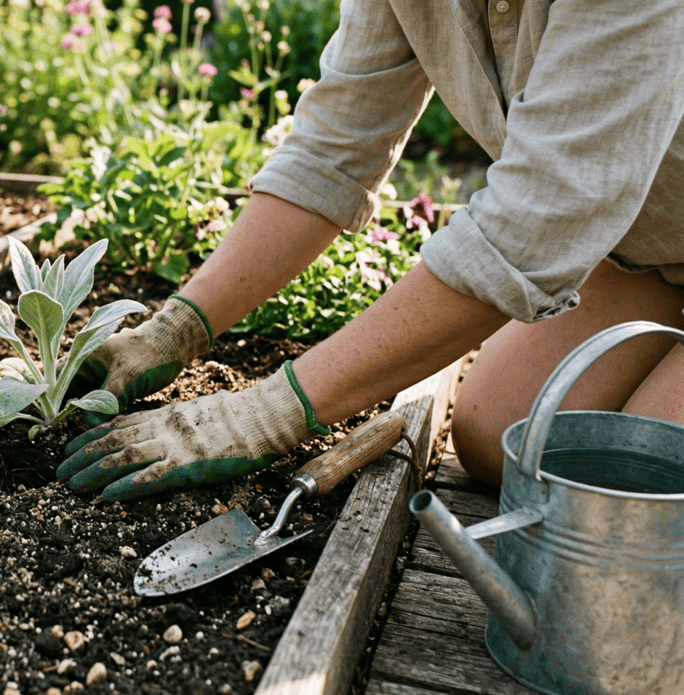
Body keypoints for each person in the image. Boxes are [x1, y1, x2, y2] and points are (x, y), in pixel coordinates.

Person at [57, 0, 684, 501]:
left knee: (642, 483)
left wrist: (266, 414)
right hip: (648, 256)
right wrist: (176, 329)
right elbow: (335, 146)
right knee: (502, 438)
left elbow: (535, 221)